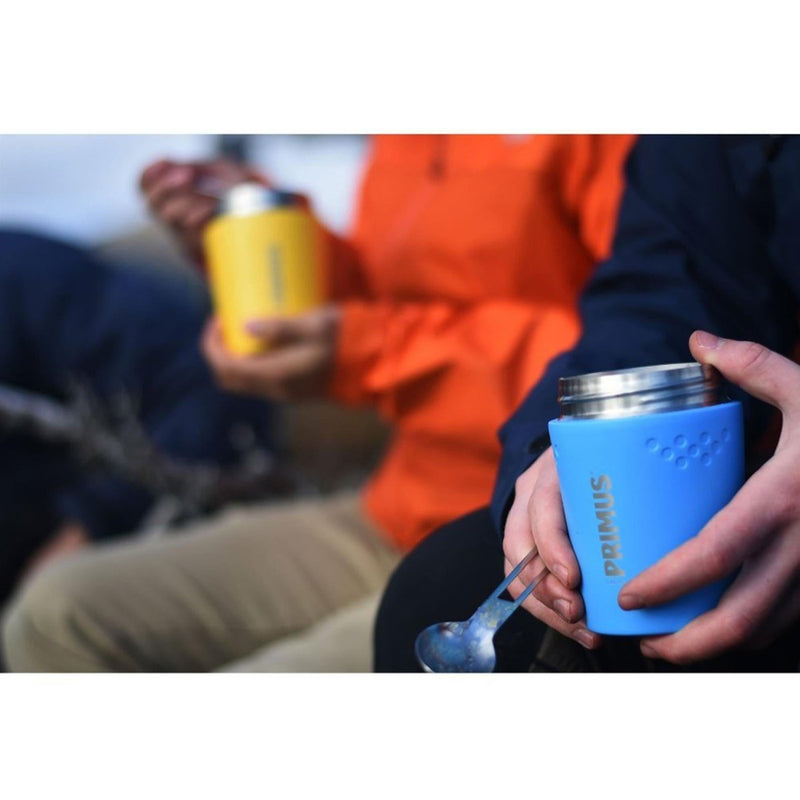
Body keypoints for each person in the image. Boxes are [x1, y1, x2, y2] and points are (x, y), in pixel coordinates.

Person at [1, 134, 636, 672]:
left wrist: (371, 350)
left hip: (527, 535)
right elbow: (392, 295)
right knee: (57, 615)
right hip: (396, 506)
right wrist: (273, 238)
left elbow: (629, 349)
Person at [374, 134, 800, 672]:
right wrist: (552, 440)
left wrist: (358, 350)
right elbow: (673, 282)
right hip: (396, 498)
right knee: (436, 586)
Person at [0, 229, 279, 608]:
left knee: (55, 612)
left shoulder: (27, 277)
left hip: (126, 549)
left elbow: (208, 387)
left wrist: (91, 527)